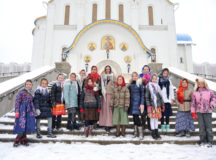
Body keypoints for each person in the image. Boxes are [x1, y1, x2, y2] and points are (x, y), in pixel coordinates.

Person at [191, 78, 216, 147]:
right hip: (199, 112)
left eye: (201, 83)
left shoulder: (210, 92)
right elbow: (193, 103)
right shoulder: (195, 93)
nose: (200, 84)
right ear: (197, 85)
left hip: (207, 112)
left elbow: (214, 99)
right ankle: (203, 141)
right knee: (201, 127)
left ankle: (210, 141)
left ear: (204, 84)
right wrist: (193, 112)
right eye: (199, 83)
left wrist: (211, 106)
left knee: (208, 127)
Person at [13, 80, 36, 147]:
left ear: (32, 85)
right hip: (22, 110)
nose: (28, 85)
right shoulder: (21, 92)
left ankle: (24, 139)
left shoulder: (32, 92)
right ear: (25, 85)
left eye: (30, 84)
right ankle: (17, 139)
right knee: (21, 124)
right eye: (27, 84)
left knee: (26, 124)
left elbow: (33, 101)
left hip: (29, 110)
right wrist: (17, 111)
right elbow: (17, 101)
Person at [145, 74, 164, 140]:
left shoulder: (158, 87)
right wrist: (148, 106)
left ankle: (156, 132)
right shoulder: (148, 86)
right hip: (151, 106)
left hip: (157, 106)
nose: (154, 80)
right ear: (151, 79)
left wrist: (162, 105)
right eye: (153, 78)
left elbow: (161, 97)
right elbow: (147, 97)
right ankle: (153, 132)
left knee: (156, 119)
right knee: (152, 119)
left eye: (155, 79)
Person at [128, 72, 144, 140]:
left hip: (137, 103)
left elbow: (142, 95)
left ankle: (141, 133)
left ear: (138, 77)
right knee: (134, 118)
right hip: (132, 103)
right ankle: (135, 132)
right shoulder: (130, 85)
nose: (134, 77)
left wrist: (141, 103)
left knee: (137, 118)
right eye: (133, 76)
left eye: (135, 76)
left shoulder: (140, 84)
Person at [99, 65, 115, 133]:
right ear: (105, 70)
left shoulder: (113, 76)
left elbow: (115, 85)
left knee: (109, 109)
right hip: (104, 94)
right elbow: (100, 85)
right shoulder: (102, 76)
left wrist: (110, 83)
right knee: (104, 109)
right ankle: (104, 123)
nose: (107, 70)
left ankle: (109, 124)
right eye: (106, 69)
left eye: (109, 69)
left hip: (110, 94)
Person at [139, 65, 151, 131]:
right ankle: (143, 125)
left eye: (147, 69)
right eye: (144, 69)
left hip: (149, 98)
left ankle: (149, 125)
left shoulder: (151, 76)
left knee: (149, 112)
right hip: (143, 97)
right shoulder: (140, 76)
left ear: (149, 70)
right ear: (143, 70)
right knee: (143, 113)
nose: (146, 70)